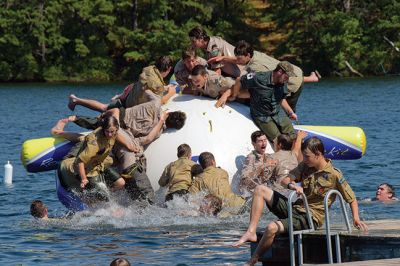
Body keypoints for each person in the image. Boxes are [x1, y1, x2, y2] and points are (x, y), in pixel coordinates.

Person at [233, 137, 368, 266]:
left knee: (271, 227)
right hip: (295, 208)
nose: (304, 159)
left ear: (318, 154)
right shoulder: (305, 165)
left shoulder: (334, 175)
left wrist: (355, 218)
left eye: (307, 156)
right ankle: (251, 231)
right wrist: (293, 186)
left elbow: (351, 198)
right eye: (304, 155)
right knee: (260, 189)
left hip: (310, 217)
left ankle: (253, 260)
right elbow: (285, 180)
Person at [212, 40, 320, 111]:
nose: (237, 60)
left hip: (293, 83)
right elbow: (238, 59)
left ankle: (291, 134)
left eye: (239, 58)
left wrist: (230, 93)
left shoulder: (256, 68)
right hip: (295, 71)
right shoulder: (254, 53)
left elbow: (255, 88)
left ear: (248, 55)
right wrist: (223, 58)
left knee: (285, 112)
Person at [53, 115, 126, 204]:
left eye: (112, 132)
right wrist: (84, 179)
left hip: (96, 162)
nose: (110, 134)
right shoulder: (94, 144)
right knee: (81, 140)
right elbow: (80, 161)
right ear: (103, 129)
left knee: (120, 182)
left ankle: (106, 194)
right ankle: (57, 131)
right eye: (107, 132)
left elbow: (117, 135)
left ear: (116, 129)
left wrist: (131, 147)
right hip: (78, 160)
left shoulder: (113, 131)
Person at [68, 56, 177, 112]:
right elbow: (159, 101)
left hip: (130, 93)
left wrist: (164, 87)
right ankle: (76, 100)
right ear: (169, 69)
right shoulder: (157, 85)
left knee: (105, 107)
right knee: (103, 108)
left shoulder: (149, 69)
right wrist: (171, 92)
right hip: (129, 105)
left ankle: (77, 100)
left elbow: (150, 84)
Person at [231, 62, 298, 143]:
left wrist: (290, 112)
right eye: (287, 76)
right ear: (279, 72)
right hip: (262, 116)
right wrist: (235, 95)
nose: (288, 79)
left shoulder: (283, 82)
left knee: (294, 137)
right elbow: (239, 80)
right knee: (279, 141)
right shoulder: (257, 76)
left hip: (277, 112)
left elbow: (282, 99)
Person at [239, 131, 278, 198]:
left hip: (268, 192)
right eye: (260, 141)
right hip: (255, 195)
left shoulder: (269, 157)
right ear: (254, 144)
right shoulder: (251, 158)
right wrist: (262, 167)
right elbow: (244, 181)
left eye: (265, 140)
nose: (264, 143)